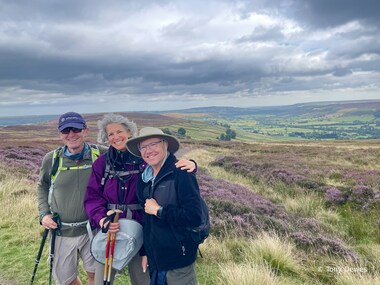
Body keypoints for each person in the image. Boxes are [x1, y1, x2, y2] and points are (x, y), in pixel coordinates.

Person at [84, 113, 197, 285]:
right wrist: (101, 219)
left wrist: (192, 165)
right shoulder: (101, 164)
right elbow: (92, 197)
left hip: (142, 231)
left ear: (129, 132)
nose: (116, 137)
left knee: (142, 279)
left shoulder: (145, 160)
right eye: (110, 134)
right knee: (102, 281)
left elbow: (167, 170)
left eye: (119, 131)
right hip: (111, 229)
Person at [37, 112, 108, 285]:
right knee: (66, 280)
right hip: (61, 230)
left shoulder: (101, 154)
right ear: (60, 134)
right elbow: (42, 186)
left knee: (95, 276)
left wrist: (183, 164)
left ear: (85, 131)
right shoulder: (51, 159)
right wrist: (44, 214)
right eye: (65, 130)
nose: (71, 134)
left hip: (93, 229)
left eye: (75, 129)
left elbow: (134, 157)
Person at [126, 127, 203, 285]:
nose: (149, 150)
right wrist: (146, 251)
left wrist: (159, 211)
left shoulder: (181, 173)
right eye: (144, 147)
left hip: (178, 260)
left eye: (153, 144)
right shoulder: (144, 179)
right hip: (155, 259)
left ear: (165, 144)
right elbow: (147, 222)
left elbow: (194, 217)